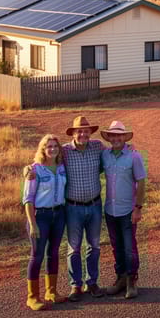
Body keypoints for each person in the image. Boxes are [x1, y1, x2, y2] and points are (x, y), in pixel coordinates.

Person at [99, 121, 147, 299]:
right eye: (113, 135)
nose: (116, 138)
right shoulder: (105, 155)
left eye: (119, 135)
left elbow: (141, 182)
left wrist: (138, 208)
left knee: (129, 247)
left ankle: (131, 281)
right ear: (109, 138)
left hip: (128, 210)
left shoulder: (134, 156)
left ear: (124, 137)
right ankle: (120, 278)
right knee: (116, 247)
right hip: (110, 210)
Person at [61, 116, 106, 301]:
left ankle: (92, 282)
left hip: (95, 205)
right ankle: (75, 285)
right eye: (79, 131)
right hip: (73, 207)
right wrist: (29, 169)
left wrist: (131, 148)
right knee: (74, 247)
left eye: (86, 131)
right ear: (73, 133)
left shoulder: (97, 147)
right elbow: (44, 160)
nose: (82, 134)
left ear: (90, 133)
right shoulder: (64, 151)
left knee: (94, 246)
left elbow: (115, 152)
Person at [21, 134, 67, 311]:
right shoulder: (35, 170)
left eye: (55, 146)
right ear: (43, 149)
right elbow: (28, 199)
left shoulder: (62, 167)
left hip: (59, 214)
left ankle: (51, 292)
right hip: (40, 216)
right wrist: (32, 223)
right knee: (37, 255)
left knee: (53, 253)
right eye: (49, 147)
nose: (53, 149)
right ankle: (32, 297)